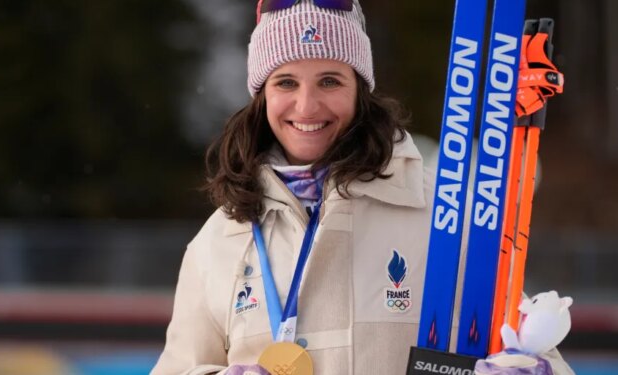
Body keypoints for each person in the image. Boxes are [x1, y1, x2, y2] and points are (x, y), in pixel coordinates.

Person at [152, 1, 575, 374]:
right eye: (286, 82)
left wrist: (534, 370)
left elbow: (532, 348)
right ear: (262, 95)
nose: (307, 106)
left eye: (330, 81)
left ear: (360, 90)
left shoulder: (442, 212)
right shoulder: (220, 240)